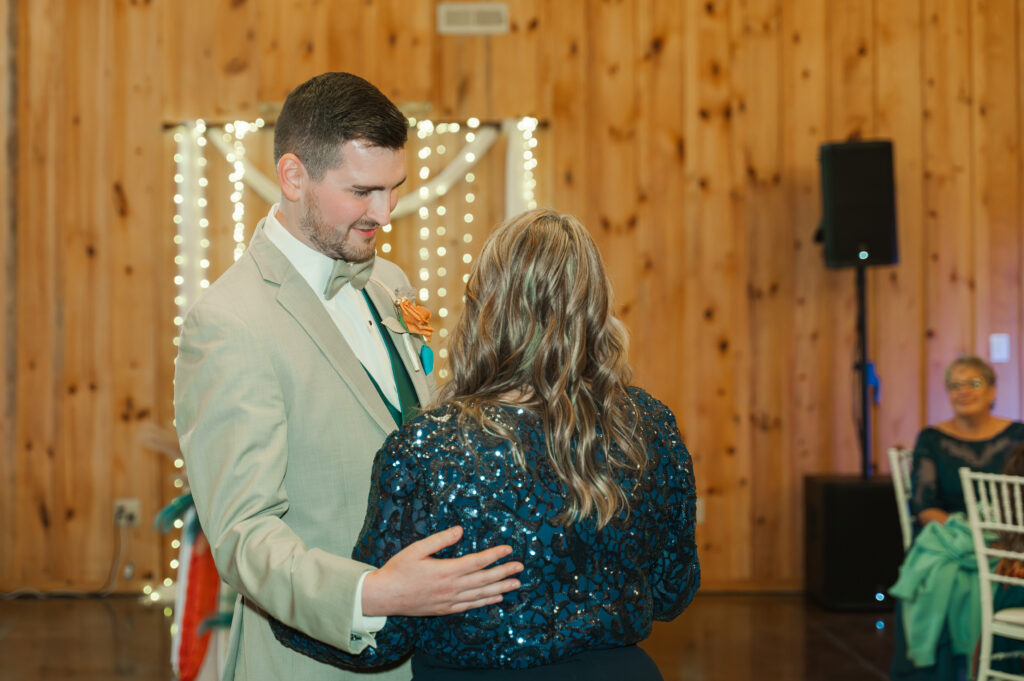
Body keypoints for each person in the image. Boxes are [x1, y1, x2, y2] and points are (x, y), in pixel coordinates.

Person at [174, 72, 523, 681]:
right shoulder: (229, 322)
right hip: (314, 657)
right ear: (293, 177)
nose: (385, 213)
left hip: (434, 654)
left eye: (395, 189)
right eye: (363, 192)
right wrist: (372, 595)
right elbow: (243, 534)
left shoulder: (389, 283)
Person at [268, 208, 701, 679]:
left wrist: (275, 599)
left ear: (485, 307)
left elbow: (385, 641)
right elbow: (673, 592)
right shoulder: (649, 424)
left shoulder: (428, 447)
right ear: (595, 305)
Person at [890, 355, 1024, 681]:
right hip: (950, 532)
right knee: (942, 568)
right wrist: (966, 534)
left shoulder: (1018, 436)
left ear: (992, 391)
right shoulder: (933, 439)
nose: (964, 391)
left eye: (973, 383)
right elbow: (924, 505)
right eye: (955, 385)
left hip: (1009, 536)